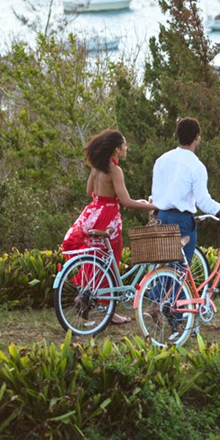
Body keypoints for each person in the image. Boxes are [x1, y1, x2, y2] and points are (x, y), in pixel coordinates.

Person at [61, 128, 158, 324]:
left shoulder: (97, 167)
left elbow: (90, 192)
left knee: (94, 258)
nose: (126, 148)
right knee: (110, 260)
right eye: (124, 145)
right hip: (109, 218)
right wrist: (152, 205)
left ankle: (86, 297)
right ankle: (109, 312)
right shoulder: (115, 170)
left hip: (91, 214)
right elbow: (126, 201)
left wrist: (108, 196)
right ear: (117, 150)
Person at [151, 117, 220, 267]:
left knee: (163, 271)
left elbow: (156, 194)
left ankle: (153, 292)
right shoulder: (196, 166)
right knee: (179, 273)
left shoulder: (162, 160)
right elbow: (205, 203)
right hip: (181, 221)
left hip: (161, 218)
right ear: (197, 138)